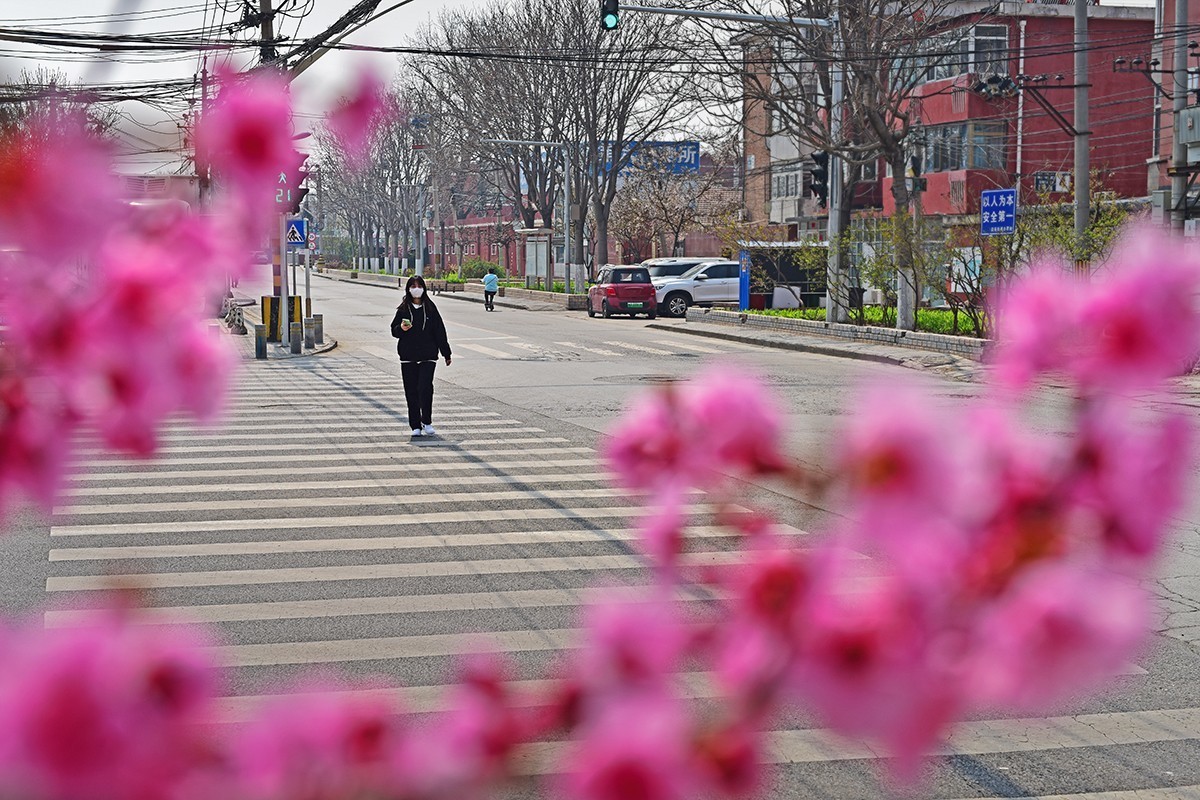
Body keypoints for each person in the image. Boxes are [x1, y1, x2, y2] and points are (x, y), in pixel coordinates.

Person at [390, 275, 452, 437]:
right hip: (408, 355)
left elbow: (440, 332)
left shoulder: (430, 308)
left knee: (425, 388)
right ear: (408, 289)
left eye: (419, 285)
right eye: (413, 286)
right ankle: (415, 425)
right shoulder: (403, 309)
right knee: (411, 391)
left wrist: (446, 353)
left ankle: (427, 421)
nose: (416, 289)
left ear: (424, 288)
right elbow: (393, 331)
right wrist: (401, 329)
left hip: (428, 355)